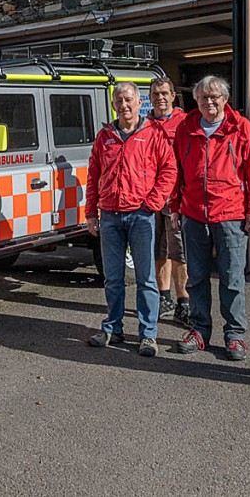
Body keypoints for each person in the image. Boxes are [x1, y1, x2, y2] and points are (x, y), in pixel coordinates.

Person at [171, 76, 250, 361]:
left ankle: (235, 335)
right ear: (196, 100)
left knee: (231, 278)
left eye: (214, 97)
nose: (209, 102)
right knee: (197, 277)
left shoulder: (240, 128)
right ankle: (200, 330)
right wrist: (175, 207)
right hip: (193, 214)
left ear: (225, 100)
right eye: (203, 97)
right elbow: (176, 171)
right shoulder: (186, 128)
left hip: (230, 214)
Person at [85, 82, 176, 357]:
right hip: (110, 215)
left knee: (146, 278)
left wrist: (153, 203)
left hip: (141, 215)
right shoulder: (105, 136)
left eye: (128, 100)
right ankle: (113, 327)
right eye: (119, 101)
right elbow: (93, 176)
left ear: (139, 103)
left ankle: (148, 334)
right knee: (113, 278)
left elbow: (169, 171)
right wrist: (91, 212)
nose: (124, 105)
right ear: (113, 106)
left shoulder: (153, 134)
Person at [147, 76, 190, 325]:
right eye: (155, 94)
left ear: (173, 96)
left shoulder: (184, 123)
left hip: (176, 199)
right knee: (157, 249)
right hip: (151, 198)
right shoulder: (145, 125)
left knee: (179, 252)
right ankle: (163, 297)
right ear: (149, 98)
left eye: (164, 93)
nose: (160, 98)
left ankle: (184, 301)